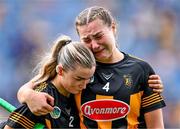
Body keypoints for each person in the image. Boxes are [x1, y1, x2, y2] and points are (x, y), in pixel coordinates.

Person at [17, 6, 165, 129]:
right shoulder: (76, 68)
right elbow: (30, 88)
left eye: (99, 36)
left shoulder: (141, 70)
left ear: (113, 28)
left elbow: (156, 126)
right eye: (87, 40)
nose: (94, 45)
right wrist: (29, 96)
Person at [3, 35, 96, 129]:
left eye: (89, 79)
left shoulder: (77, 93)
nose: (84, 86)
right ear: (60, 70)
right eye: (78, 79)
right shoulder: (41, 99)